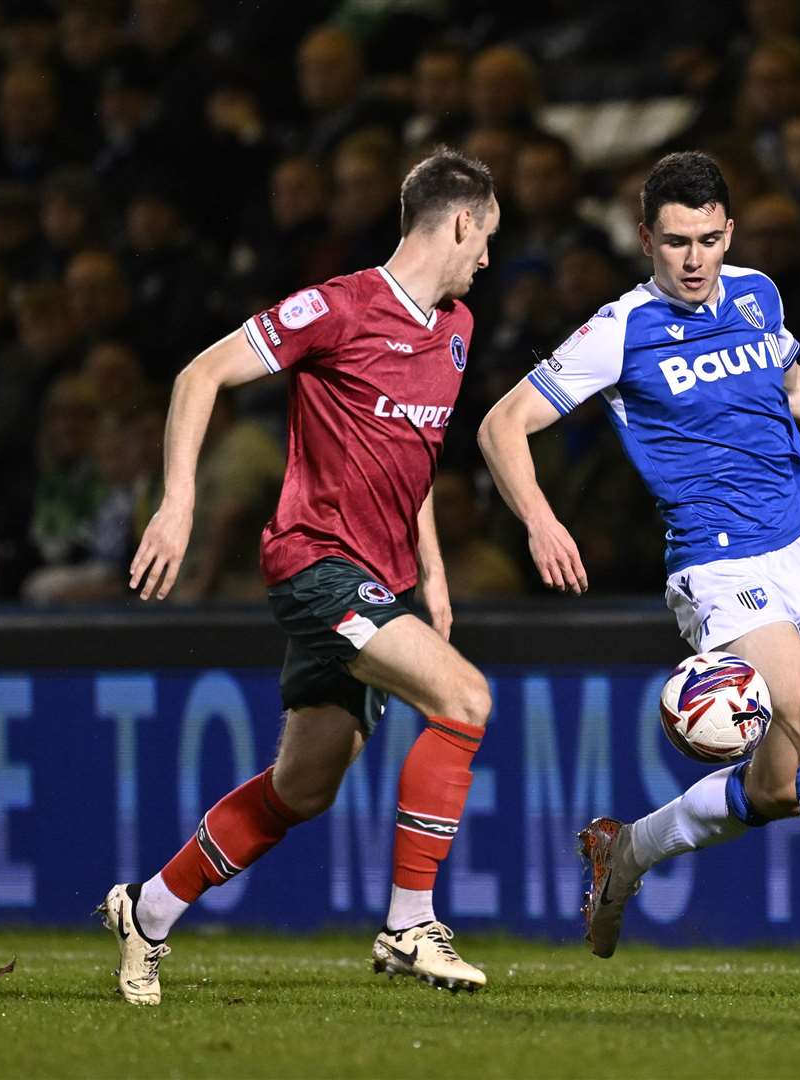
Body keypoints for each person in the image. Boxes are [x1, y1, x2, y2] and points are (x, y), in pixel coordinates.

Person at [477, 151, 800, 989]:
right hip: (720, 565)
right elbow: (502, 424)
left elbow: (790, 379)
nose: (692, 260)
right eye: (673, 243)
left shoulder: (758, 292)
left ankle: (622, 852)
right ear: (644, 240)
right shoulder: (620, 330)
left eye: (706, 240)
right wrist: (541, 520)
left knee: (781, 783)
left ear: (728, 232)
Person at [99, 147, 501, 1005]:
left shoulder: (457, 333)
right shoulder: (339, 306)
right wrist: (177, 505)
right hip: (316, 563)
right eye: (486, 237)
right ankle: (409, 923)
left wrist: (430, 572)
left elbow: (413, 454)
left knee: (302, 788)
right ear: (462, 220)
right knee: (465, 700)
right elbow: (198, 374)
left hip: (382, 581)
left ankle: (150, 909)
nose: (488, 259)